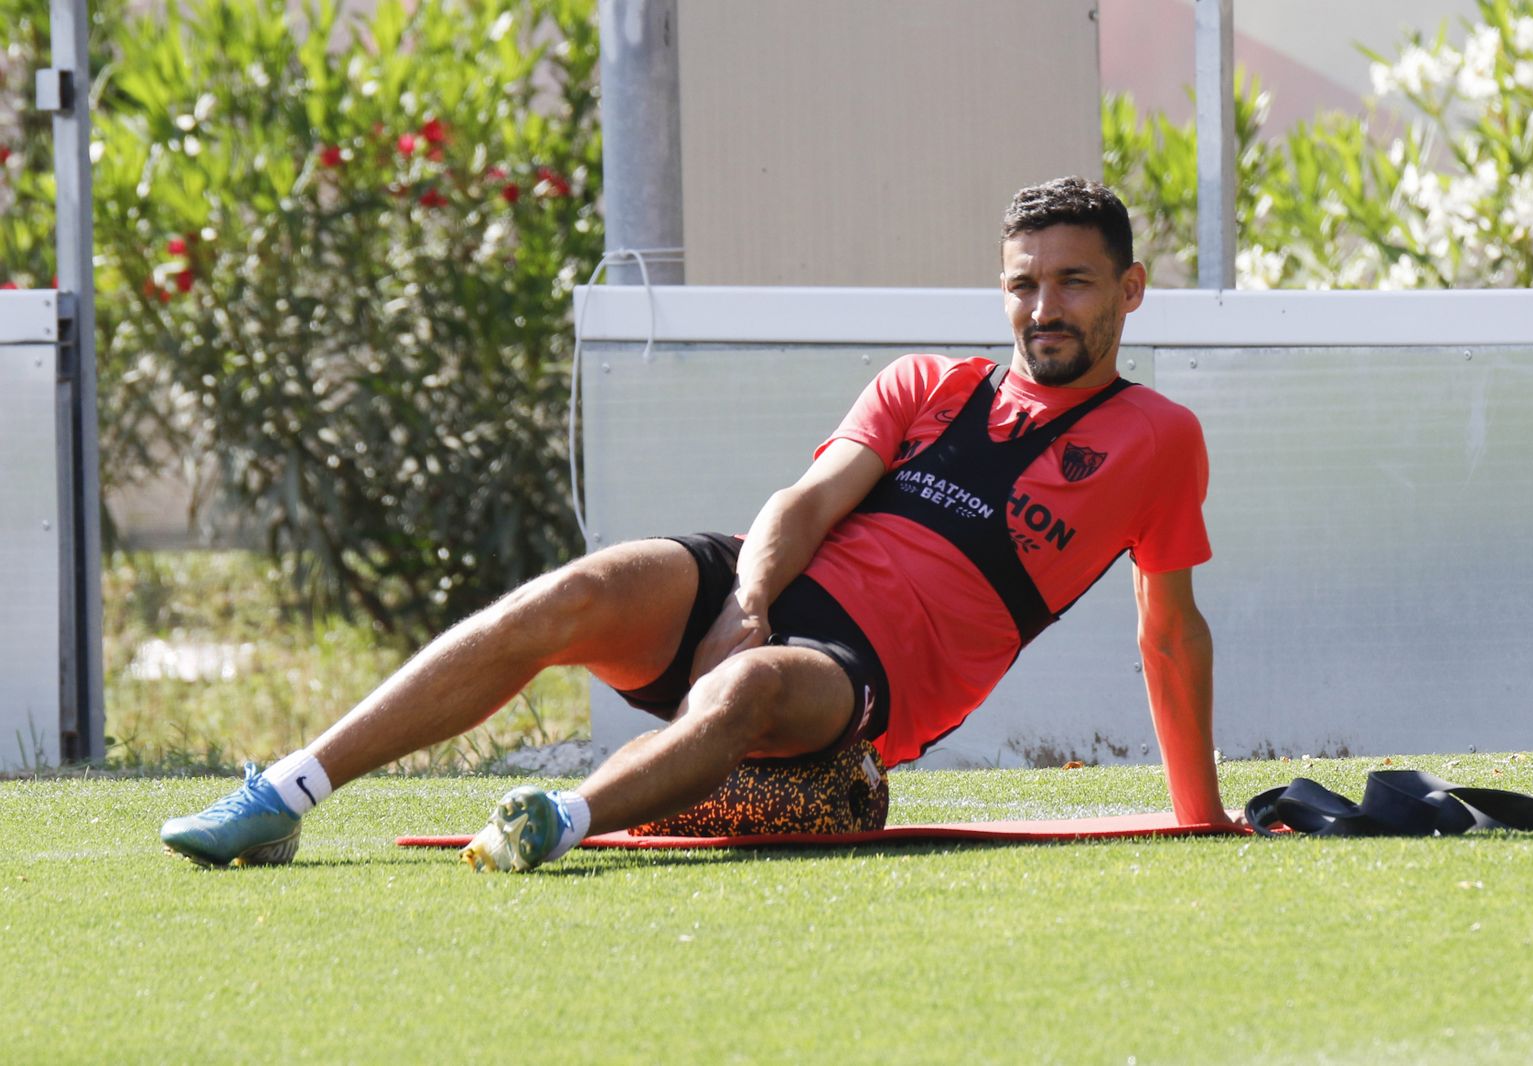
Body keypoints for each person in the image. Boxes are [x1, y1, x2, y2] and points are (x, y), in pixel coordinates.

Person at [161, 176, 1227, 872]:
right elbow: (803, 505)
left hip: (862, 672)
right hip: (763, 587)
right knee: (570, 594)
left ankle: (555, 822)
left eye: (1074, 282)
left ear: (1129, 290)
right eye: (1023, 284)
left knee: (748, 685)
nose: (1045, 308)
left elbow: (1167, 628)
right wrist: (748, 600)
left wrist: (1198, 813)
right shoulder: (928, 381)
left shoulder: (1159, 436)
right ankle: (287, 789)